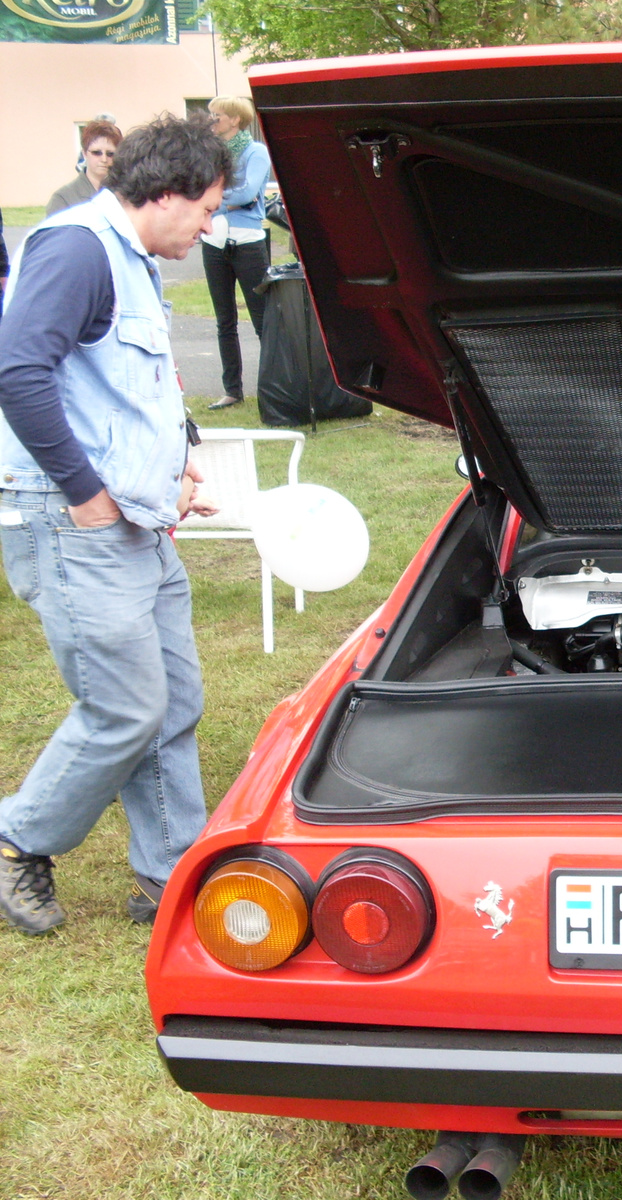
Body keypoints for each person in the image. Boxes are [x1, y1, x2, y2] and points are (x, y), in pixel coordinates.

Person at [0, 114, 227, 935]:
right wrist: (86, 494)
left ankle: (168, 876)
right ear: (162, 194)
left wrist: (180, 458)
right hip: (73, 520)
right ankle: (16, 839)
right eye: (205, 209)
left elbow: (132, 384)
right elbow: (19, 372)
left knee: (174, 701)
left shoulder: (134, 257)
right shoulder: (77, 248)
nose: (209, 228)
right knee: (125, 708)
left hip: (136, 517)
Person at [201, 96, 272, 412]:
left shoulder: (256, 152)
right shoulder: (211, 153)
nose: (212, 118)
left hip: (247, 240)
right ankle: (232, 390)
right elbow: (199, 189)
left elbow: (247, 192)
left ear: (235, 119)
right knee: (224, 319)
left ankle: (273, 385)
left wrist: (216, 199)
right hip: (214, 241)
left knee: (263, 319)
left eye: (217, 114)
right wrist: (225, 200)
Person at [46, 121, 123, 216]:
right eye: (96, 152)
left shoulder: (127, 194)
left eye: (110, 154)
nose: (104, 159)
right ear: (85, 153)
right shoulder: (63, 199)